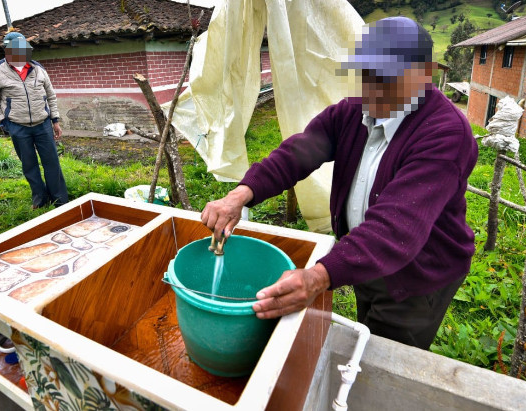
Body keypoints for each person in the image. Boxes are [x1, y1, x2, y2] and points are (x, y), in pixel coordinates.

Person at [201, 17, 478, 349]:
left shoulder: (445, 133)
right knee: (367, 324)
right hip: (366, 256)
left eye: (385, 77)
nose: (371, 87)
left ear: (422, 75)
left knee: (381, 357)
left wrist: (318, 277)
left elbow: (396, 227)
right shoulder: (352, 112)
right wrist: (241, 194)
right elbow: (298, 154)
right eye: (366, 74)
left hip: (418, 274)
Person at [0, 32, 69, 209]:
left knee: (52, 162)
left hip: (43, 124)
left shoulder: (38, 69)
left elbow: (51, 96)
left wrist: (55, 120)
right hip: (17, 126)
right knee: (29, 165)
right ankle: (40, 199)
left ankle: (60, 199)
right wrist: (4, 122)